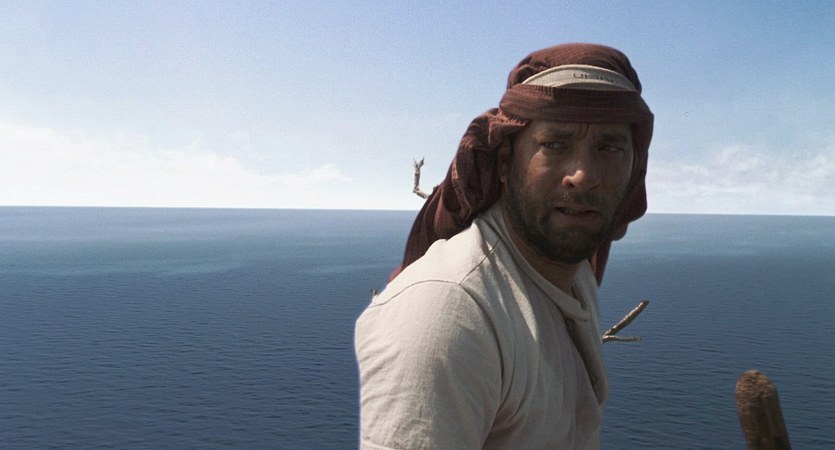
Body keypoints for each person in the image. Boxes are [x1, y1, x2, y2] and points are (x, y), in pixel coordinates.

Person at [355, 43, 654, 449]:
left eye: (610, 147)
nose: (583, 175)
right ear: (504, 162)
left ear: (634, 168)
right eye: (555, 144)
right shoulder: (446, 313)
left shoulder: (574, 276)